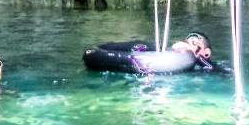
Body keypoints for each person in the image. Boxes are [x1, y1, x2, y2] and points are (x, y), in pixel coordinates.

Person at [83, 33, 220, 77]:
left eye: (194, 44)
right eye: (186, 42)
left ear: (206, 53)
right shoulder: (171, 54)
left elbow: (215, 69)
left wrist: (196, 57)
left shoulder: (206, 65)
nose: (188, 45)